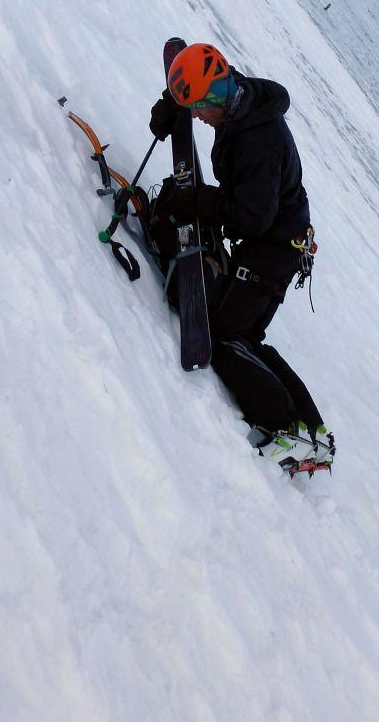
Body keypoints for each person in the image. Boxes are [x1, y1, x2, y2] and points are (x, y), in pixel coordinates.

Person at [150, 43, 334, 473]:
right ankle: (312, 432)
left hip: (273, 248)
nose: (197, 118)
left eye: (198, 110)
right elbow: (195, 76)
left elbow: (252, 217)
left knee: (226, 336)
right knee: (246, 335)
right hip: (278, 239)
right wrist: (171, 104)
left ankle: (284, 428)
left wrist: (201, 201)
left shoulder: (258, 142)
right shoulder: (236, 96)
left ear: (216, 99)